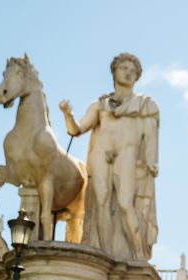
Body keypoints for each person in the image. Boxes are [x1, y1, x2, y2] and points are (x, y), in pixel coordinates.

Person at [59, 52, 159, 261]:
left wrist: (151, 161)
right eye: (124, 68)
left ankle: (139, 255)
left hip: (127, 152)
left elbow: (150, 137)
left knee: (125, 203)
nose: (129, 73)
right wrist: (68, 115)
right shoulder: (100, 105)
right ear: (114, 72)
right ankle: (104, 256)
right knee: (101, 201)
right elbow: (77, 130)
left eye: (133, 71)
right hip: (101, 153)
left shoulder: (145, 105)